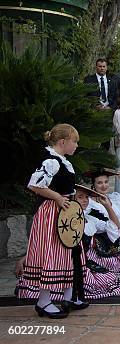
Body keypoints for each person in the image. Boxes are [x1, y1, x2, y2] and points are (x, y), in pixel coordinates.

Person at [20, 124, 83, 318]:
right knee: (51, 253)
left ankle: (67, 295)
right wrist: (56, 197)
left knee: (66, 253)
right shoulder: (51, 161)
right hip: (52, 213)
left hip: (64, 212)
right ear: (63, 142)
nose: (76, 145)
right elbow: (34, 184)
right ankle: (44, 301)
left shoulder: (61, 160)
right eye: (75, 141)